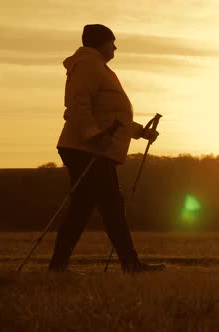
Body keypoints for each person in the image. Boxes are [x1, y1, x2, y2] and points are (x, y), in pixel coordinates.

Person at [49, 24, 165, 273]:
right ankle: (130, 263)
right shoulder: (89, 65)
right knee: (112, 204)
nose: (115, 47)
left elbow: (112, 116)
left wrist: (141, 132)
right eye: (112, 42)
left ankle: (58, 267)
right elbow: (77, 104)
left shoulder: (98, 68)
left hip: (90, 148)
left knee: (82, 209)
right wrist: (93, 135)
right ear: (100, 43)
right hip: (87, 149)